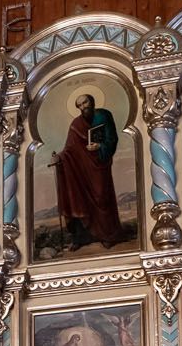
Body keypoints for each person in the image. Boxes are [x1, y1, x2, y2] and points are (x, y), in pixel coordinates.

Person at [52, 91, 128, 249]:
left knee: (102, 198)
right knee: (79, 197)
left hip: (100, 164)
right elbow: (70, 149)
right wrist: (60, 158)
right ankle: (83, 237)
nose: (83, 107)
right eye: (79, 105)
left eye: (85, 103)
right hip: (82, 168)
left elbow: (112, 139)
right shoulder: (76, 124)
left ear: (92, 102)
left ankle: (109, 235)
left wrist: (100, 146)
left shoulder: (104, 116)